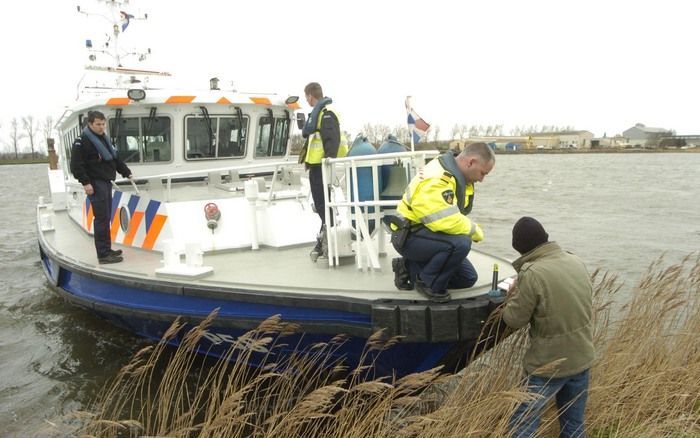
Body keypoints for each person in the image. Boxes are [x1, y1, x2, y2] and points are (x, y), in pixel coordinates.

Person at [503, 217, 596, 438]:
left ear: (521, 248)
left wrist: (511, 297)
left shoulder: (533, 273)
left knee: (522, 425)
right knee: (573, 425)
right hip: (582, 358)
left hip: (548, 365)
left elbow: (513, 320)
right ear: (544, 238)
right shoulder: (575, 261)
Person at [391, 142, 495, 302]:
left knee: (467, 278)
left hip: (425, 232)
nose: (482, 179)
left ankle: (407, 267)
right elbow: (443, 219)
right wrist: (475, 231)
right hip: (409, 235)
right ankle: (427, 283)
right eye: (483, 173)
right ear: (471, 162)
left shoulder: (452, 173)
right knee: (461, 243)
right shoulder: (438, 178)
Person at [70, 110, 133, 264]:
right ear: (90, 124)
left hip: (105, 182)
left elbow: (114, 159)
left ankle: (107, 249)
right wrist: (86, 183)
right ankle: (103, 255)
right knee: (101, 219)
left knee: (106, 218)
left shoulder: (104, 139)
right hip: (95, 183)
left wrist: (127, 173)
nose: (101, 127)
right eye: (98, 124)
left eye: (103, 124)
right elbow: (76, 165)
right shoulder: (82, 141)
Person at [300, 82, 348, 262]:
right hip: (315, 165)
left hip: (322, 166)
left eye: (306, 97)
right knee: (321, 204)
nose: (307, 100)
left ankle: (329, 232)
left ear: (311, 96)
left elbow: (331, 139)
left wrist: (328, 160)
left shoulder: (325, 114)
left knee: (322, 203)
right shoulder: (318, 114)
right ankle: (327, 233)